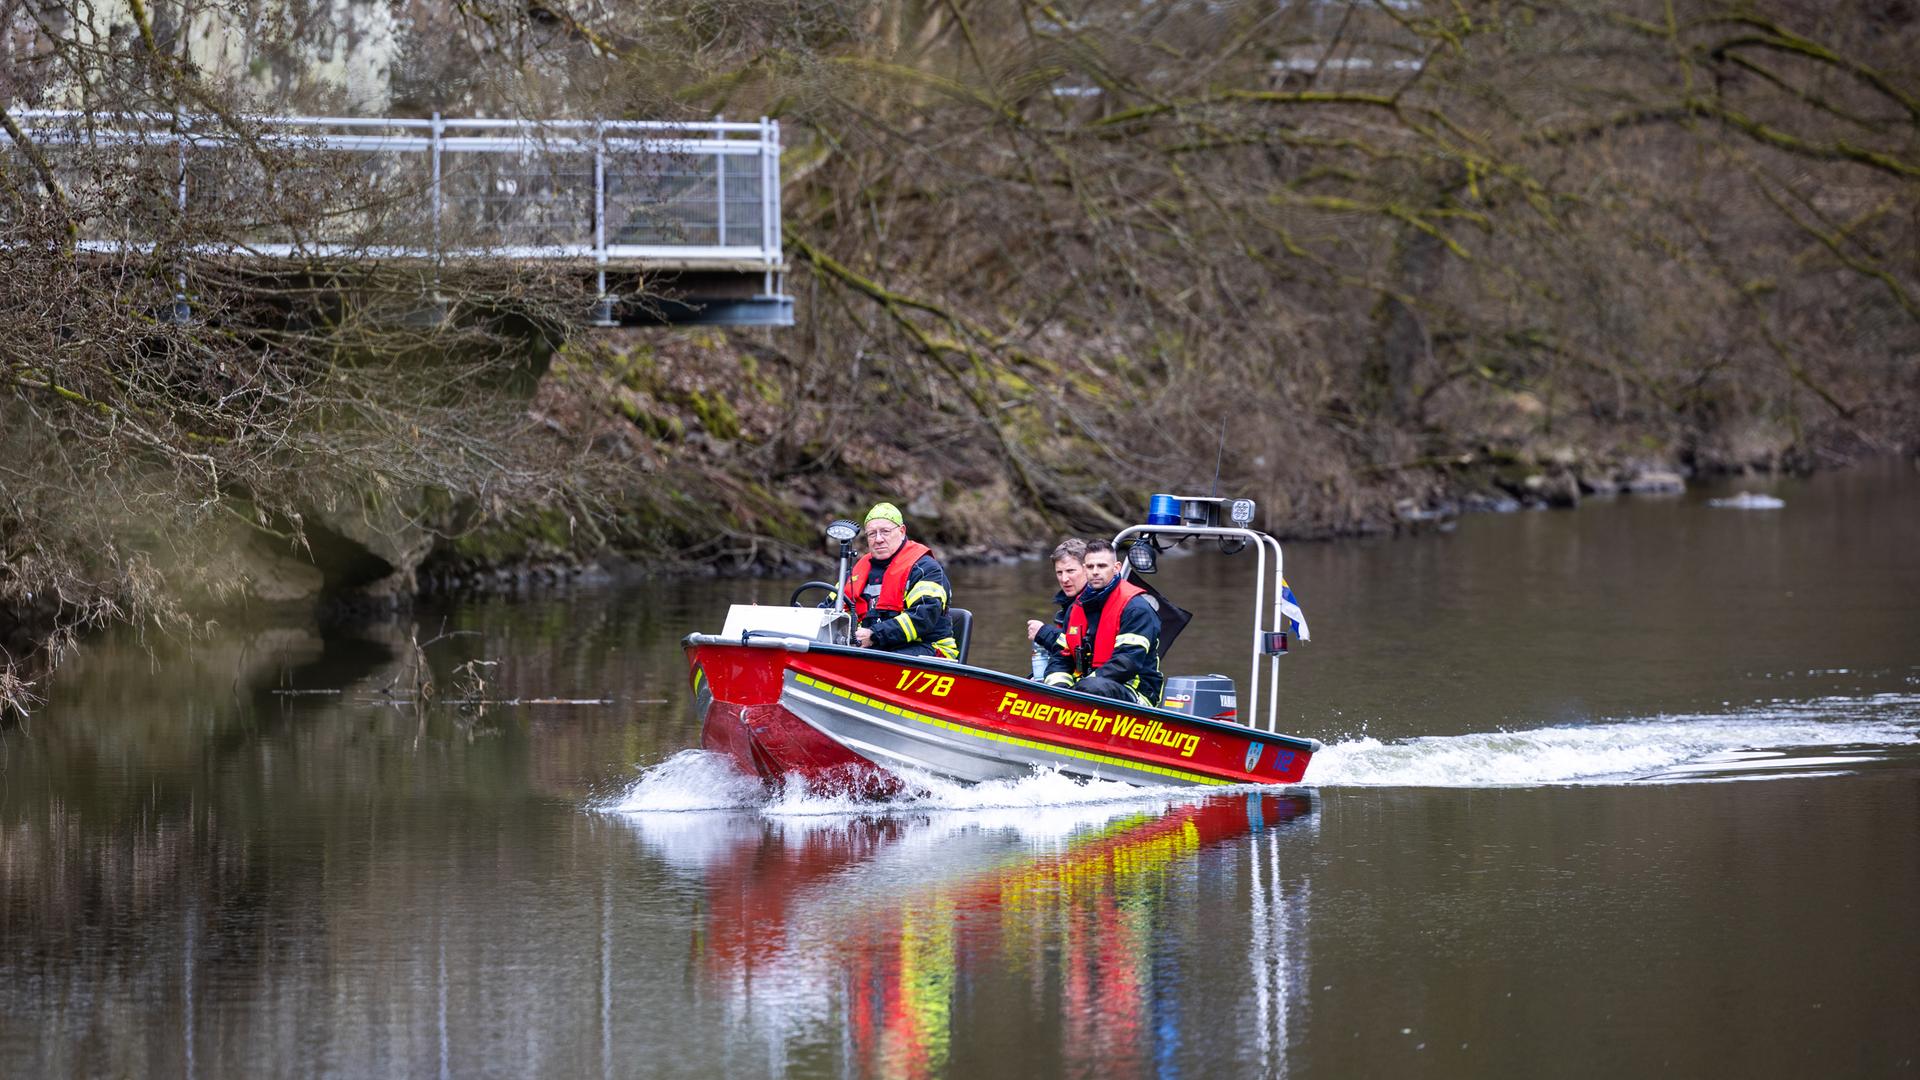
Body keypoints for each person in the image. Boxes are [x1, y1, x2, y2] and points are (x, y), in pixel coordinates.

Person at [1042, 539, 1164, 706]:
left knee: (1093, 687)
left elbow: (1127, 662)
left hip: (1135, 692)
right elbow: (1061, 657)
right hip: (1088, 687)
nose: (1095, 572)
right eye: (1090, 567)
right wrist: (1058, 688)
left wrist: (1076, 690)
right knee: (1037, 683)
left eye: (1102, 566)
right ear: (1084, 569)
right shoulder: (1076, 607)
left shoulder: (1136, 609)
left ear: (1116, 568)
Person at [838, 502, 959, 659]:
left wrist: (874, 635)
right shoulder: (856, 572)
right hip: (877, 648)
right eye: (872, 534)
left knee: (876, 661)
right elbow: (829, 608)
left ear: (902, 532)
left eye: (885, 532)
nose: (878, 539)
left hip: (930, 649)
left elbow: (922, 617)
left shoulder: (926, 569)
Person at [1026, 538, 1088, 678]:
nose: (1064, 579)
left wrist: (1043, 633)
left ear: (1087, 568)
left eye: (1070, 571)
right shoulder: (1068, 605)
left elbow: (1081, 650)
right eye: (1059, 573)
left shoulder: (1093, 603)